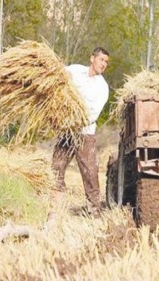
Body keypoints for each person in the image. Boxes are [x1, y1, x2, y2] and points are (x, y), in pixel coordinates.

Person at [51, 47, 110, 218]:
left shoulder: (102, 88)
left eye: (106, 62)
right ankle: (55, 207)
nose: (104, 64)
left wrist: (74, 120)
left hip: (84, 133)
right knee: (56, 167)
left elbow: (92, 115)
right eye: (101, 60)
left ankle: (94, 212)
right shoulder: (75, 70)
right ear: (92, 59)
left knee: (90, 172)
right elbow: (58, 74)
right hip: (67, 132)